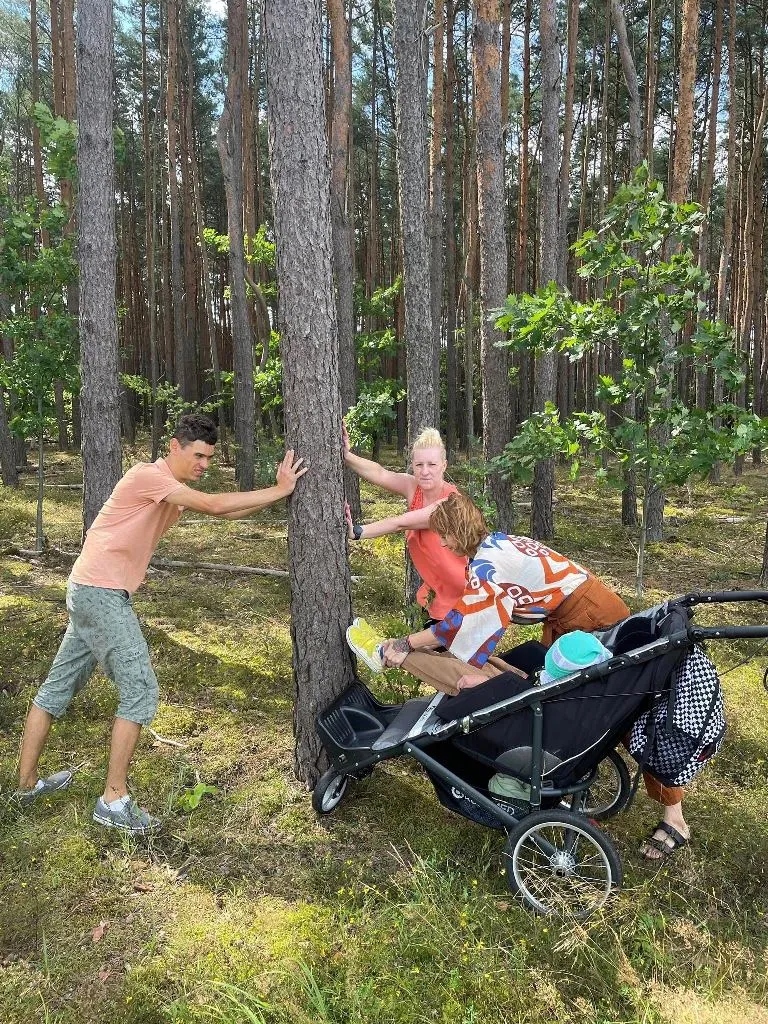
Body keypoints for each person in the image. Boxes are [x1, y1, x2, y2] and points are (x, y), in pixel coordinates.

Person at [15, 413, 307, 834]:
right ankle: (113, 800)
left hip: (87, 588)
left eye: (209, 458)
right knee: (140, 691)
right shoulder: (147, 476)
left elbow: (225, 514)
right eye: (198, 456)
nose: (204, 464)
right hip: (100, 593)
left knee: (57, 688)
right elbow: (214, 505)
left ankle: (26, 786)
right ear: (174, 446)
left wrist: (280, 493)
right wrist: (279, 488)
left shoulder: (174, 489)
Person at [366, 491, 689, 860]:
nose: (441, 543)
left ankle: (674, 818)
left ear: (457, 531)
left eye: (444, 535)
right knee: (560, 703)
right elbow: (472, 620)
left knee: (620, 709)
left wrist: (406, 644)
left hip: (589, 618)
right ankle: (555, 775)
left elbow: (456, 626)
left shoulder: (489, 564)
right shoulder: (494, 544)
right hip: (574, 614)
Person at [343, 425, 466, 622]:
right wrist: (346, 455)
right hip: (435, 594)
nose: (425, 471)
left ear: (444, 465)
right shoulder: (413, 487)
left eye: (432, 465)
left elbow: (399, 523)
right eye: (419, 465)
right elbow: (380, 473)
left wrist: (357, 532)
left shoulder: (451, 502)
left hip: (464, 599)